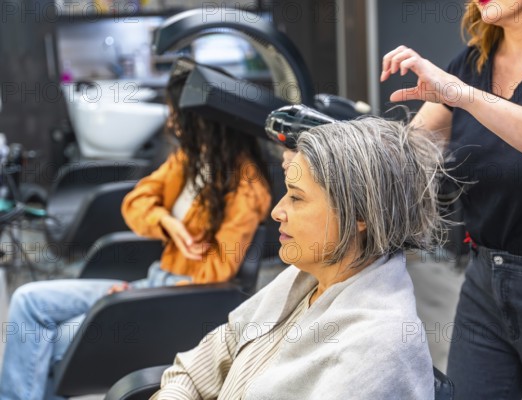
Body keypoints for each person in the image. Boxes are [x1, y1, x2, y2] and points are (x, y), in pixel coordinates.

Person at [0, 57, 272, 400]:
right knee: (28, 302)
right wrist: (169, 223)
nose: (171, 121)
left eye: (176, 112)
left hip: (169, 300)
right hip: (150, 281)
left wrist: (134, 298)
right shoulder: (189, 161)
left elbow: (219, 272)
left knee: (49, 341)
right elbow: (136, 202)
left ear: (202, 119)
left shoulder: (247, 186)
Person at [381, 1, 522, 399]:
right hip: (486, 281)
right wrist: (329, 149)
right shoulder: (472, 63)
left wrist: (467, 97)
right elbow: (408, 160)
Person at [150, 117, 446, 399]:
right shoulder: (302, 277)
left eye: (296, 197)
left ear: (360, 214)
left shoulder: (378, 346)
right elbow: (198, 366)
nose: (276, 211)